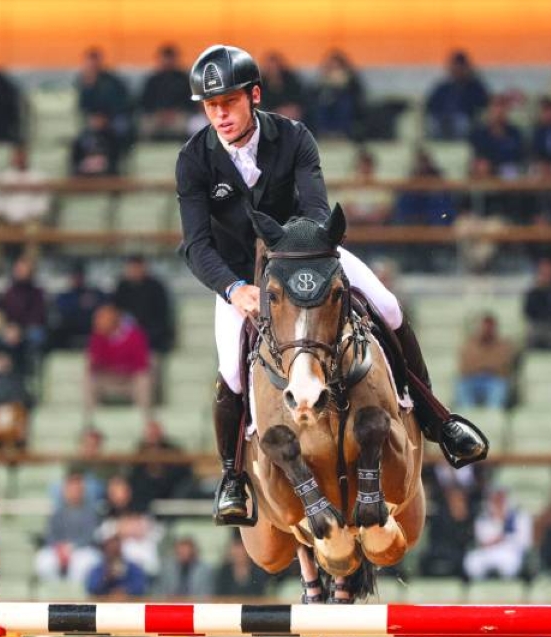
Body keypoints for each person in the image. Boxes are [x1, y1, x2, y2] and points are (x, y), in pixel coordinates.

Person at [175, 45, 487, 524]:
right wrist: (237, 290)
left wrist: (297, 259)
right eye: (210, 106)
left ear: (253, 96)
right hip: (241, 277)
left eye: (229, 102)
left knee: (387, 305)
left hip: (310, 256)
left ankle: (436, 420)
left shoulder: (294, 137)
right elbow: (197, 246)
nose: (219, 114)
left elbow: (318, 211)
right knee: (233, 372)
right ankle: (233, 477)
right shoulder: (194, 159)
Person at [37, 471, 103, 585]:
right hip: (59, 550)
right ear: (64, 490)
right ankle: (54, 593)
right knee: (43, 561)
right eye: (71, 488)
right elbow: (50, 535)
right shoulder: (57, 512)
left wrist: (71, 547)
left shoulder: (91, 512)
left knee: (85, 563)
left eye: (77, 489)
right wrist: (60, 548)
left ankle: (76, 596)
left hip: (82, 550)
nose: (74, 492)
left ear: (82, 491)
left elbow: (90, 536)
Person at [85, 304, 152, 412]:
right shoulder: (97, 337)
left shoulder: (135, 335)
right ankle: (89, 419)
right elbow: (94, 364)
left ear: (114, 320)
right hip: (109, 377)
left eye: (101, 318)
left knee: (143, 378)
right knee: (89, 378)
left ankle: (145, 417)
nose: (97, 322)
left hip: (129, 379)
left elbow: (141, 364)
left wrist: (123, 370)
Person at [111, 255, 176, 358]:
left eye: (136, 268)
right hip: (127, 334)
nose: (134, 271)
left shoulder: (156, 287)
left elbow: (162, 316)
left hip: (152, 336)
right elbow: (115, 311)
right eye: (131, 268)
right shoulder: (122, 287)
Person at [463, 489, 533, 581]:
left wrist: (505, 532)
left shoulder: (520, 516)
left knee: (510, 562)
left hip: (511, 551)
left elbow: (525, 542)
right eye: (494, 499)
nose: (497, 502)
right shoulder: (483, 518)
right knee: (472, 560)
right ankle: (479, 587)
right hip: (489, 552)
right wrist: (498, 522)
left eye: (500, 499)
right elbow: (483, 542)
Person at [455, 314, 518, 409]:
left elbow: (504, 368)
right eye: (485, 327)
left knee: (500, 386)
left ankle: (492, 416)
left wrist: (479, 363)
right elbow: (464, 368)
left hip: (494, 379)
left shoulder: (503, 345)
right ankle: (467, 415)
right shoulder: (470, 344)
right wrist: (489, 364)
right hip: (472, 379)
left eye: (490, 327)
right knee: (461, 385)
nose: (487, 330)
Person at [76, 47, 134, 150]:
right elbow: (83, 106)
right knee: (83, 138)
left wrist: (106, 118)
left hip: (114, 117)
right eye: (90, 63)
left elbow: (122, 103)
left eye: (94, 63)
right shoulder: (83, 84)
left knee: (122, 129)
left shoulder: (112, 81)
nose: (92, 66)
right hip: (93, 120)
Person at [425, 50, 489, 140]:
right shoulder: (443, 87)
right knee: (432, 122)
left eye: (460, 67)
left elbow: (483, 105)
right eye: (454, 67)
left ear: (466, 68)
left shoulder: (475, 87)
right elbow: (430, 105)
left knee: (462, 123)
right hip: (442, 121)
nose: (457, 70)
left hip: (464, 122)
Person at [139, 44, 193, 140]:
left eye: (170, 58)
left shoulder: (183, 79)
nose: (167, 62)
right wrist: (159, 113)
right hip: (156, 115)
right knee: (145, 126)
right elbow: (145, 101)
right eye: (165, 58)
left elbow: (190, 101)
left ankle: (185, 151)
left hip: (178, 115)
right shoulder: (153, 80)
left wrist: (175, 111)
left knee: (184, 125)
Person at [0, 146, 51, 228]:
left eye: (22, 156)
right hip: (5, 218)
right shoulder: (3, 177)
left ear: (27, 157)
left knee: (34, 228)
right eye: (17, 156)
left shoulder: (39, 177)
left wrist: (33, 215)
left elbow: (43, 200)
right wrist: (1, 213)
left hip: (30, 218)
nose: (20, 159)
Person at [311, 50, 365, 138]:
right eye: (331, 67)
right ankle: (324, 132)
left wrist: (343, 84)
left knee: (344, 103)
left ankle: (341, 132)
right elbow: (313, 95)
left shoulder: (352, 80)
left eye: (336, 67)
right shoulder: (322, 79)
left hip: (344, 105)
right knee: (321, 105)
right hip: (325, 106)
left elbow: (357, 96)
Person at [51, 263, 105, 349]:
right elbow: (62, 308)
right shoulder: (65, 296)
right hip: (70, 326)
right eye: (74, 277)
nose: (77, 279)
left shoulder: (93, 294)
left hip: (89, 326)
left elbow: (103, 304)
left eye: (79, 277)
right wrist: (79, 303)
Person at [86, 530, 149, 598]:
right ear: (104, 550)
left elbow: (140, 587)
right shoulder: (97, 569)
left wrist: (124, 591)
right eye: (110, 548)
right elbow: (91, 589)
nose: (113, 551)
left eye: (116, 548)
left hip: (129, 605)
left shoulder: (133, 568)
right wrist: (106, 578)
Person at [71, 111, 121, 176]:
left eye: (100, 118)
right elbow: (75, 159)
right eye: (95, 118)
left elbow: (115, 159)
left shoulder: (111, 138)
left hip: (106, 176)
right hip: (84, 175)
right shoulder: (82, 137)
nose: (97, 121)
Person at [259, 51, 305, 119]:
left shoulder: (290, 79)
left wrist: (292, 109)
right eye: (270, 68)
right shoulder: (261, 83)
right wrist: (278, 112)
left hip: (291, 112)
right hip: (271, 115)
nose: (273, 70)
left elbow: (299, 97)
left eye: (275, 67)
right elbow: (262, 104)